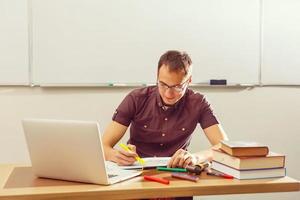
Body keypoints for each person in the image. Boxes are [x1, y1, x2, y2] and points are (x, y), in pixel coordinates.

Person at [103, 50, 228, 169]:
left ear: (189, 80)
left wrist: (196, 157)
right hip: (137, 172)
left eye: (177, 87)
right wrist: (115, 155)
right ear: (157, 77)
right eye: (162, 84)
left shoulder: (198, 103)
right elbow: (102, 146)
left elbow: (225, 147)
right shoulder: (136, 98)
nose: (168, 94)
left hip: (177, 172)